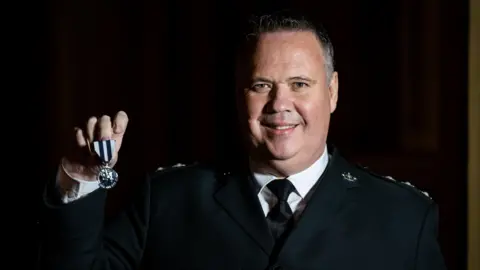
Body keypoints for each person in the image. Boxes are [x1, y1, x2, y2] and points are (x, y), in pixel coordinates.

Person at [38, 12, 447, 270]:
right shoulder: (167, 200)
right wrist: (80, 179)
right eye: (261, 85)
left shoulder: (404, 217)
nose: (279, 104)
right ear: (239, 95)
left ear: (333, 92)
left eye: (300, 84)